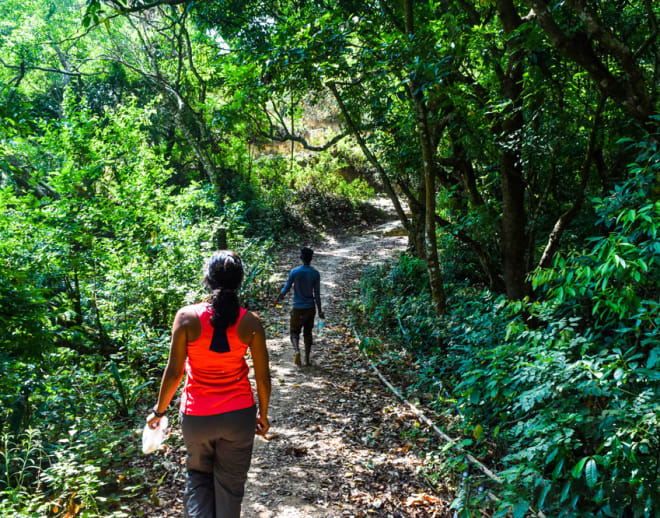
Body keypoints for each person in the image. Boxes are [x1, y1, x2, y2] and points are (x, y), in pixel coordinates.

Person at [147, 250, 271, 518]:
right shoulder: (251, 322)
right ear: (240, 281)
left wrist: (159, 412)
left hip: (197, 417)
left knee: (199, 479)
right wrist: (263, 414)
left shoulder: (186, 317)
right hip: (239, 418)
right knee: (230, 488)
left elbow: (174, 373)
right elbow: (262, 376)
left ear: (208, 279)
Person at [274, 247, 325, 367]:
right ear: (311, 258)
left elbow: (286, 288)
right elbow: (316, 294)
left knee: (294, 332)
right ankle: (307, 359)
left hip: (297, 307)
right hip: (310, 308)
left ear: (301, 257)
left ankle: (297, 350)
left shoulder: (294, 272)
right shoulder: (315, 273)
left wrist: (277, 299)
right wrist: (320, 311)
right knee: (308, 333)